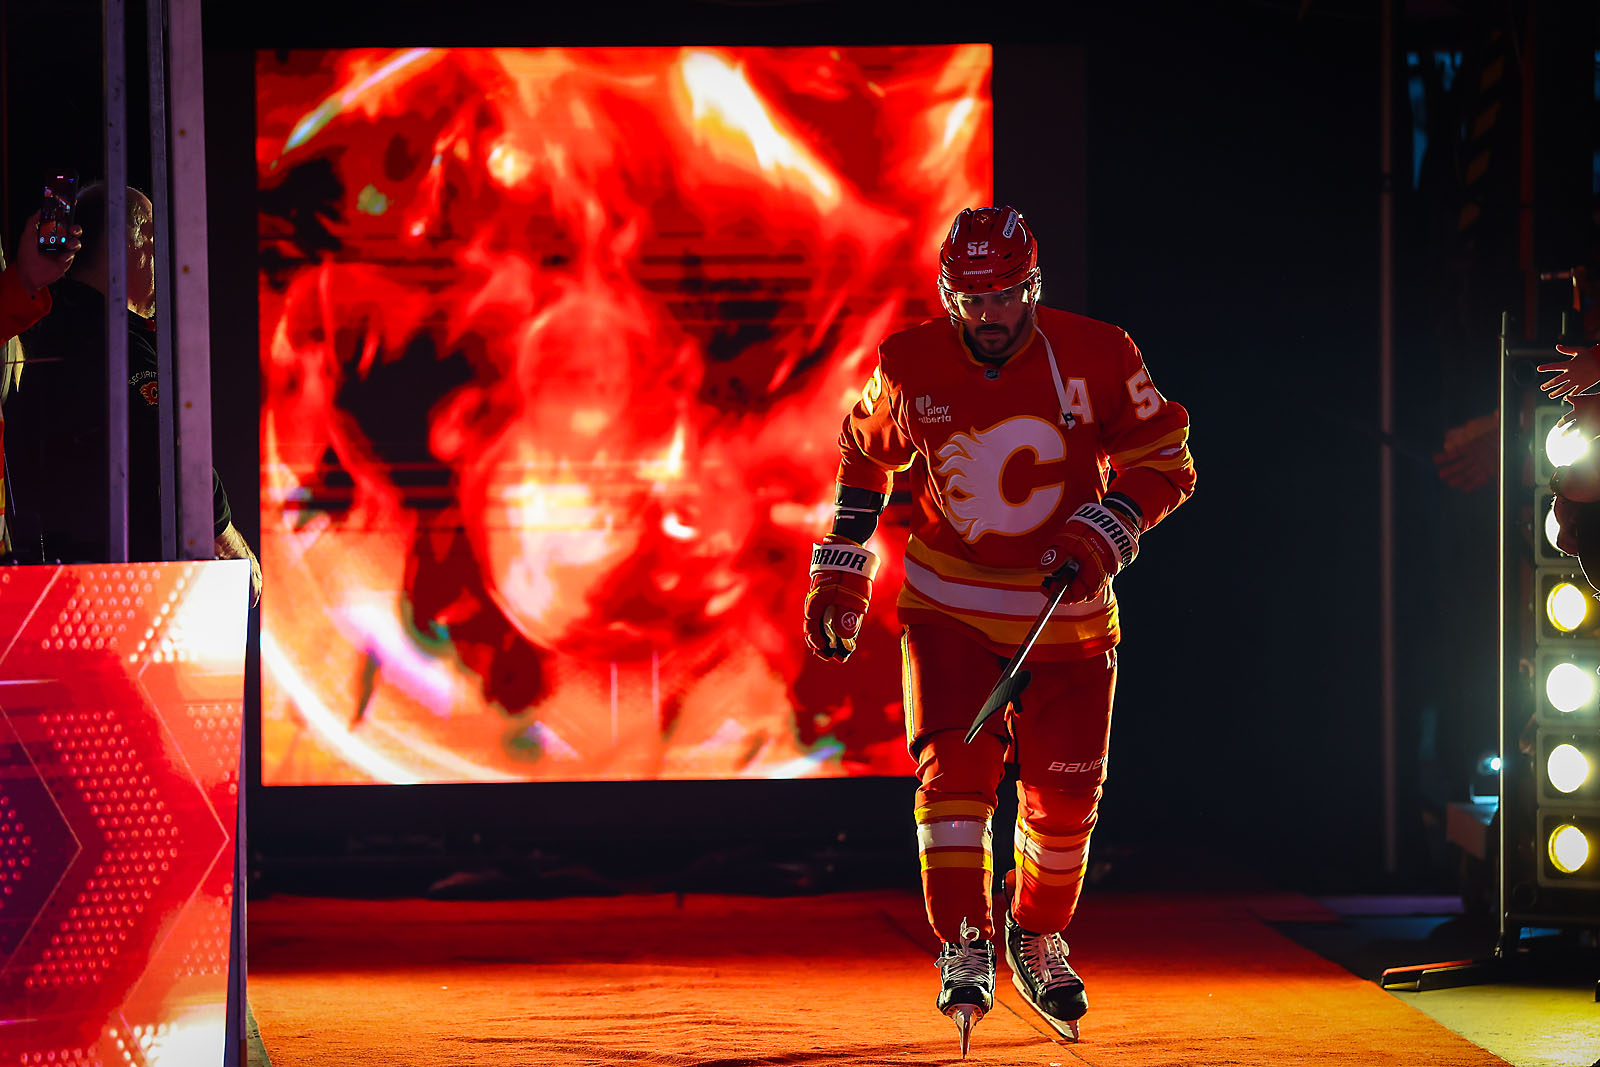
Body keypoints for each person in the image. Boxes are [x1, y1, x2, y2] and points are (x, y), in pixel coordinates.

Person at [804, 205, 1195, 1054]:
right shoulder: (907, 361)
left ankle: (1036, 931)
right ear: (949, 296)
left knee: (1065, 803)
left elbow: (1165, 457)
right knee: (954, 780)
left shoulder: (1100, 352)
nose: (991, 315)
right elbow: (866, 451)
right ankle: (963, 939)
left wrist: (1115, 518)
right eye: (974, 299)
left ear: (1034, 286)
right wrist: (842, 560)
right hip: (949, 606)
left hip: (1069, 619)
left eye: (1007, 295)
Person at [6, 183, 261, 604]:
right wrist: (226, 537)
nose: (160, 254)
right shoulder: (111, 342)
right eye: (152, 237)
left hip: (70, 586)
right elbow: (170, 450)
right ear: (126, 245)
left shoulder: (46, 326)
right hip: (119, 595)